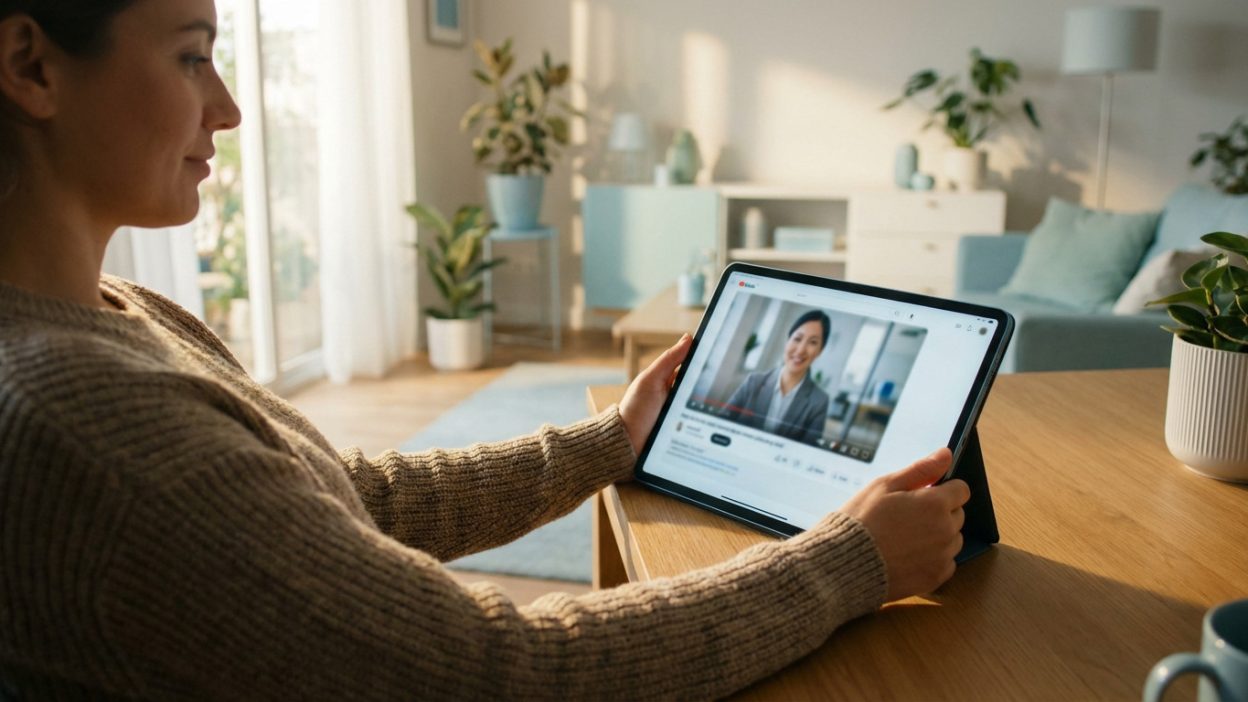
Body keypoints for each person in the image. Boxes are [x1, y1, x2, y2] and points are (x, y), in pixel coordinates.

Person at [0, 1, 970, 698]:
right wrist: (847, 564)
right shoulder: (84, 421)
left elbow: (343, 498)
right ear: (32, 66)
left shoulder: (120, 312)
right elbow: (499, 671)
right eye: (190, 55)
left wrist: (607, 445)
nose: (228, 107)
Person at [723, 310, 832, 445]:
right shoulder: (754, 382)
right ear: (788, 340)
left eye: (813, 342)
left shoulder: (819, 401)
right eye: (797, 339)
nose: (801, 350)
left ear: (820, 351)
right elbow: (721, 423)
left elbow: (808, 451)